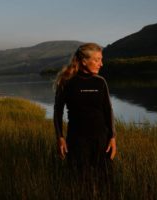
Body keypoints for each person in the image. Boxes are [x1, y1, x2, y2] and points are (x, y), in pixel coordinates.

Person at [53, 43, 116, 198]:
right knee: (80, 184)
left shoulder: (100, 82)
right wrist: (60, 138)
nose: (101, 64)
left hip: (102, 140)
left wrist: (113, 137)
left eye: (101, 60)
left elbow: (108, 111)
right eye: (97, 60)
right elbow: (57, 112)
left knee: (106, 184)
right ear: (84, 61)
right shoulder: (66, 82)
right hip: (77, 141)